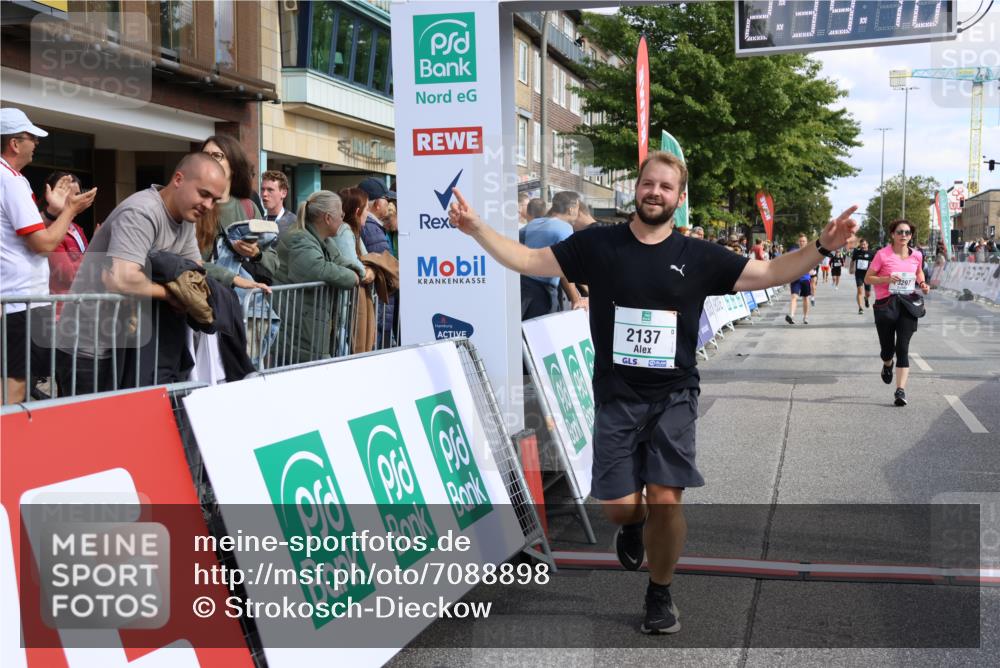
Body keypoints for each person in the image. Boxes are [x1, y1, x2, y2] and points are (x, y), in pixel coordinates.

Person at [447, 150, 857, 635]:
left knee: (667, 496)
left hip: (674, 395)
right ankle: (633, 524)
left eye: (666, 187)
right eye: (649, 184)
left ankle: (660, 592)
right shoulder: (598, 244)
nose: (655, 192)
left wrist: (823, 248)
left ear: (679, 200)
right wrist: (477, 229)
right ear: (637, 188)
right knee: (621, 507)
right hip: (617, 396)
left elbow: (769, 274)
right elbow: (530, 259)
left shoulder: (698, 256)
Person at [56, 153, 231, 394]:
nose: (208, 206)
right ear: (178, 179)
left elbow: (194, 273)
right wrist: (172, 294)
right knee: (87, 427)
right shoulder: (142, 212)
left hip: (124, 345)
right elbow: (122, 277)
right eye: (204, 194)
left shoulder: (186, 218)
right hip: (88, 344)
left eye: (214, 199)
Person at [1, 108, 96, 403]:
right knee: (15, 385)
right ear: (15, 144)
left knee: (14, 380)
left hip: (14, 300)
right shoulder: (12, 180)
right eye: (31, 138)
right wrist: (69, 210)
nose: (36, 144)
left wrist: (55, 212)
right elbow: (42, 243)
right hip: (20, 301)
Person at [272, 190, 359, 363]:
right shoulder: (299, 238)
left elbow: (340, 260)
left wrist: (360, 272)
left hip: (308, 322)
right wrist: (353, 278)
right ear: (327, 218)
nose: (343, 219)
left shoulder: (323, 239)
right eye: (341, 214)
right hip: (297, 327)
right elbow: (318, 269)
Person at [197, 135, 279, 290]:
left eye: (217, 156)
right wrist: (231, 278)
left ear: (234, 166)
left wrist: (256, 254)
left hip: (239, 305)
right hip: (200, 301)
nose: (209, 160)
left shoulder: (248, 207)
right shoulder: (191, 205)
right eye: (204, 155)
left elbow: (273, 262)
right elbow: (186, 261)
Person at [865, 219, 929, 407]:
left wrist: (923, 284)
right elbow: (868, 278)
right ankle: (887, 364)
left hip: (907, 305)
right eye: (900, 232)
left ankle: (900, 390)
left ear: (911, 236)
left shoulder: (917, 255)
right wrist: (886, 278)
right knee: (887, 350)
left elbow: (919, 273)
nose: (904, 236)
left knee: (902, 347)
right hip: (886, 305)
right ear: (892, 234)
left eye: (907, 233)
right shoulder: (882, 255)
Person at [519, 190, 586, 319]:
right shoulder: (565, 228)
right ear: (572, 209)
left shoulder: (533, 224)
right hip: (542, 292)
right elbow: (565, 268)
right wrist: (576, 299)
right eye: (578, 208)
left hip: (522, 287)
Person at [358, 176, 397, 346]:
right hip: (379, 309)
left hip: (378, 308)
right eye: (386, 199)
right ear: (377, 203)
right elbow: (386, 267)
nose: (389, 203)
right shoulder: (371, 228)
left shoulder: (371, 226)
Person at [41, 172, 89, 304]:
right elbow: (68, 274)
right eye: (69, 194)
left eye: (77, 195)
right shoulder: (49, 227)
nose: (75, 199)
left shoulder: (77, 228)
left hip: (79, 305)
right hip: (57, 308)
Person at [335, 187, 375, 285]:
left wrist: (370, 269)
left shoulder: (351, 231)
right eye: (366, 209)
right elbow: (353, 264)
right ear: (357, 212)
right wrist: (369, 272)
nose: (368, 213)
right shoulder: (344, 231)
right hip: (345, 297)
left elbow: (367, 259)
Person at [785, 234, 813, 325]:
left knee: (805, 298)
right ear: (798, 242)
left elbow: (813, 264)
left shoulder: (810, 252)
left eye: (803, 241)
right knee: (794, 297)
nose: (802, 243)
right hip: (795, 278)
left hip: (805, 279)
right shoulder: (794, 252)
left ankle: (805, 317)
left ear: (806, 242)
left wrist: (812, 270)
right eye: (800, 241)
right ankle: (791, 316)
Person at [259, 170, 297, 235]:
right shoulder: (258, 224)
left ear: (283, 193)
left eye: (270, 190)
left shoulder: (295, 224)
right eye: (262, 189)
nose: (264, 194)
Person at [850, 238, 875, 314]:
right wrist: (851, 268)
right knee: (860, 291)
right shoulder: (857, 252)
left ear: (867, 244)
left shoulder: (871, 253)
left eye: (864, 244)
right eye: (861, 245)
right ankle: (860, 308)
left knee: (868, 293)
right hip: (859, 275)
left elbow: (876, 263)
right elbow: (852, 260)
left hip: (868, 275)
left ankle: (866, 299)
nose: (863, 246)